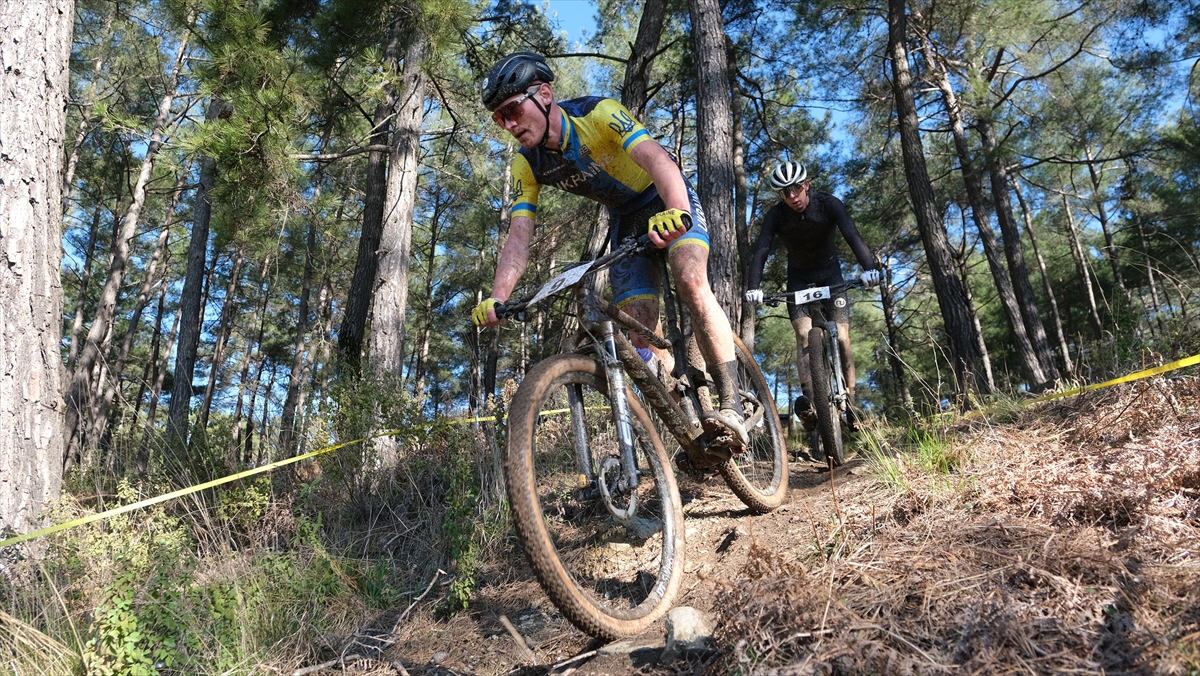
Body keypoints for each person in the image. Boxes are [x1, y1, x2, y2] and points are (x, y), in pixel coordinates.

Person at [471, 52, 748, 454]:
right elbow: (518, 235)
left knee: (690, 281)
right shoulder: (525, 164)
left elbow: (656, 158)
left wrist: (678, 212)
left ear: (544, 94)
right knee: (640, 333)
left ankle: (732, 404)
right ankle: (694, 432)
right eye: (500, 118)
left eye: (513, 109)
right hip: (626, 220)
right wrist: (498, 296)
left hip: (666, 194)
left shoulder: (599, 113)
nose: (509, 124)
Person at [743, 161, 880, 431]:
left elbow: (852, 235)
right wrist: (753, 286)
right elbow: (762, 249)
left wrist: (870, 269)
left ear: (806, 185)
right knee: (804, 335)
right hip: (799, 277)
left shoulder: (829, 204)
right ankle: (809, 401)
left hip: (831, 273)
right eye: (785, 192)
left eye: (795, 188)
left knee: (841, 336)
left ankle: (851, 402)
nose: (792, 196)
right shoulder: (777, 215)